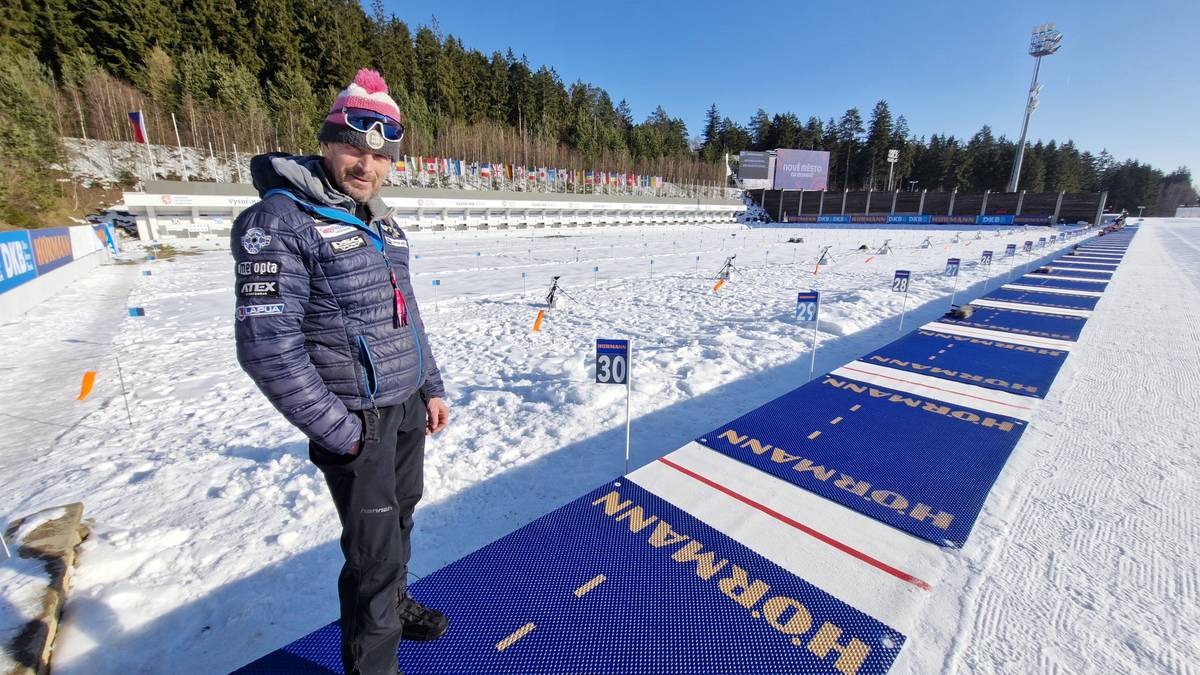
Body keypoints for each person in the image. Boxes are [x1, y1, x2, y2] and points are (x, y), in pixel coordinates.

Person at [231, 68, 450, 675]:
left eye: (380, 156)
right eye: (354, 147)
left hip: (404, 409)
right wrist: (341, 430)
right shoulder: (278, 221)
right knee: (372, 560)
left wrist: (429, 387)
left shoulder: (380, 220)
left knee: (401, 521)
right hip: (357, 421)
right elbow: (267, 349)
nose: (366, 164)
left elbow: (408, 317)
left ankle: (398, 606)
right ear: (327, 143)